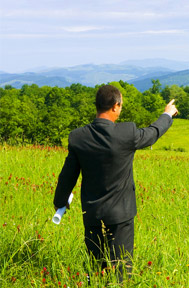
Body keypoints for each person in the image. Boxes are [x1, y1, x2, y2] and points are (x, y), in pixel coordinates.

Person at [52, 84, 178, 281]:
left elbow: (68, 176)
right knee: (120, 272)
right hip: (121, 215)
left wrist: (60, 202)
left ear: (97, 106)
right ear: (115, 106)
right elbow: (153, 133)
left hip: (91, 213)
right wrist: (167, 114)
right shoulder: (127, 133)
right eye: (120, 106)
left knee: (95, 270)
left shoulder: (78, 137)